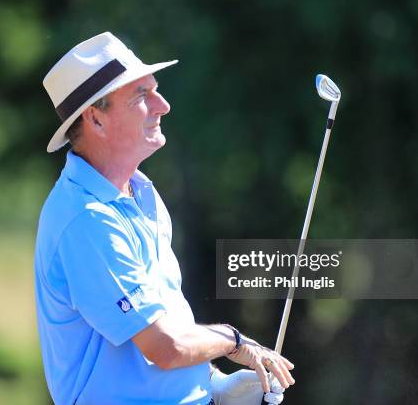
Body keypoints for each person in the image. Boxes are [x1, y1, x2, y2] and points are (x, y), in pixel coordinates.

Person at [34, 31, 295, 405]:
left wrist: (213, 384)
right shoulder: (86, 220)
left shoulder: (140, 192)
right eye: (141, 95)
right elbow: (166, 346)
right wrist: (233, 341)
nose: (163, 105)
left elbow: (165, 321)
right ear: (96, 119)